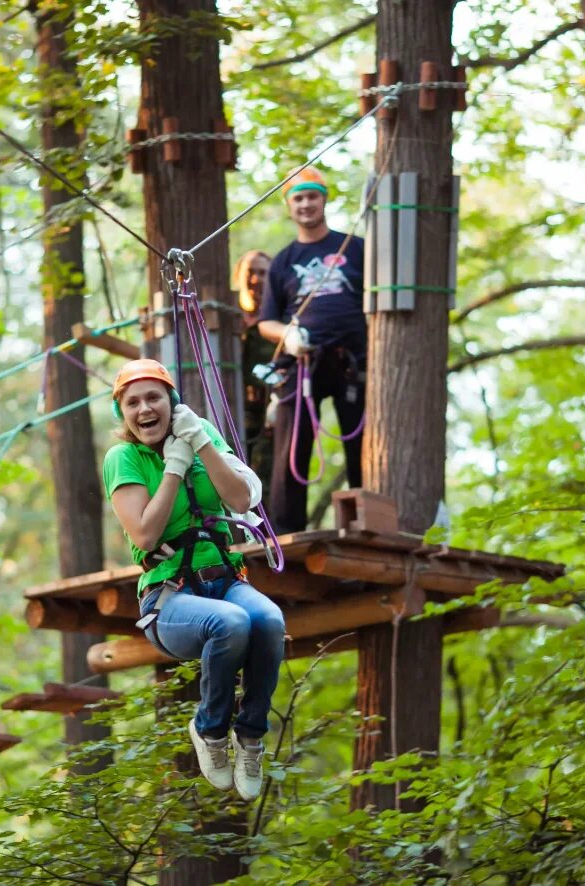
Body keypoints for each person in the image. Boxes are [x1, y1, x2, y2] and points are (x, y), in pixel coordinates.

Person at [101, 359, 285, 800]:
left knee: (271, 620)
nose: (145, 408)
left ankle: (252, 736)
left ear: (171, 402)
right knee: (231, 623)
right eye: (133, 402)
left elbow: (241, 499)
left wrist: (200, 442)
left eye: (154, 397)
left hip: (224, 577)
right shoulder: (123, 457)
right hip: (170, 597)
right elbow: (144, 532)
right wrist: (173, 467)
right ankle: (210, 731)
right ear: (123, 414)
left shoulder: (200, 433)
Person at [257, 166, 367, 534]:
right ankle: (287, 534)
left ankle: (366, 524)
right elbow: (265, 321)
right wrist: (288, 335)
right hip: (302, 362)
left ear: (324, 199)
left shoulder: (354, 247)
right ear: (290, 206)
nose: (306, 204)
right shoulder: (283, 261)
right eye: (298, 198)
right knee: (292, 450)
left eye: (312, 196)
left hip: (352, 360)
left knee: (363, 447)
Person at [232, 249, 274, 497]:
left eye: (263, 273)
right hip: (230, 411)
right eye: (250, 272)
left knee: (265, 477)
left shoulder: (279, 320)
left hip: (269, 413)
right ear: (239, 277)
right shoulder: (228, 319)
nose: (256, 279)